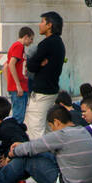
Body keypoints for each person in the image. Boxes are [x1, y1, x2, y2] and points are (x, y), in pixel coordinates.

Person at [0, 105, 92, 183]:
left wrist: (11, 154)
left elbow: (32, 148)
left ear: (57, 122)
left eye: (51, 126)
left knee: (27, 159)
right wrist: (24, 146)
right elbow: (37, 146)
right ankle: (1, 182)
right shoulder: (82, 130)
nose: (52, 130)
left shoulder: (61, 135)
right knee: (35, 152)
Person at [25, 12, 64, 140]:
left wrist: (36, 63)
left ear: (49, 25)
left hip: (41, 93)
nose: (39, 24)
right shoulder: (59, 43)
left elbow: (30, 66)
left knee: (35, 129)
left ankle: (39, 159)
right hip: (51, 90)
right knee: (48, 129)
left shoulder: (46, 44)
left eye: (42, 22)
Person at [4, 26, 33, 123]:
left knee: (19, 114)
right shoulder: (19, 46)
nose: (31, 42)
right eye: (31, 39)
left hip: (18, 86)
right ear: (25, 37)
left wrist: (10, 83)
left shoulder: (18, 47)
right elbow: (11, 64)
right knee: (18, 117)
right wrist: (17, 85)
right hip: (19, 87)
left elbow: (6, 66)